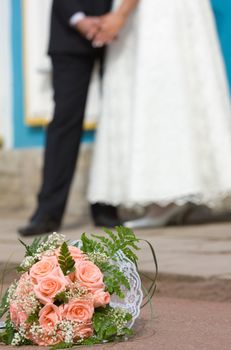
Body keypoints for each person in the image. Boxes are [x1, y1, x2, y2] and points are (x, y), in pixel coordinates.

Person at [88, 0, 231, 228]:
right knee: (177, 88)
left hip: (155, 13)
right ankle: (178, 189)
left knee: (159, 91)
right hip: (173, 12)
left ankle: (169, 194)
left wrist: (121, 14)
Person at [18, 0, 123, 237]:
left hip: (120, 33)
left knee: (118, 119)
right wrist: (80, 19)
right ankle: (48, 211)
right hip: (69, 32)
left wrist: (115, 19)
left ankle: (107, 203)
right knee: (64, 124)